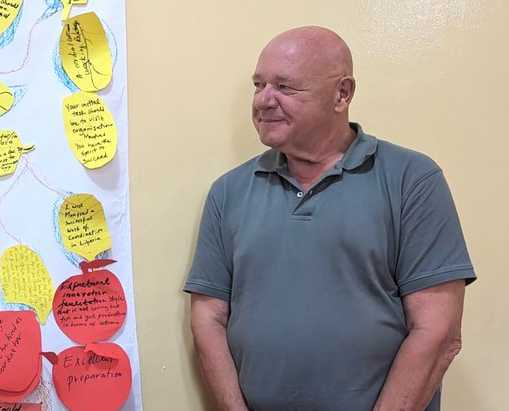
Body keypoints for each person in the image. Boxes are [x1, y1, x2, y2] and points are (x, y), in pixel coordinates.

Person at [184, 26, 475, 411]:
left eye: (284, 87)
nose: (264, 100)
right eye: (259, 85)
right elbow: (208, 316)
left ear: (342, 94)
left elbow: (438, 332)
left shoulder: (412, 180)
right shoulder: (228, 191)